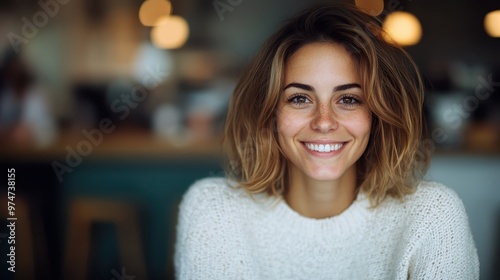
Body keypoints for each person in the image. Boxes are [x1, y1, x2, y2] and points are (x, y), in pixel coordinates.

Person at [174, 3, 479, 279]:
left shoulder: (432, 215)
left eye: (348, 99)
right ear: (270, 112)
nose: (323, 121)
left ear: (377, 114)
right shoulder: (214, 211)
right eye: (299, 98)